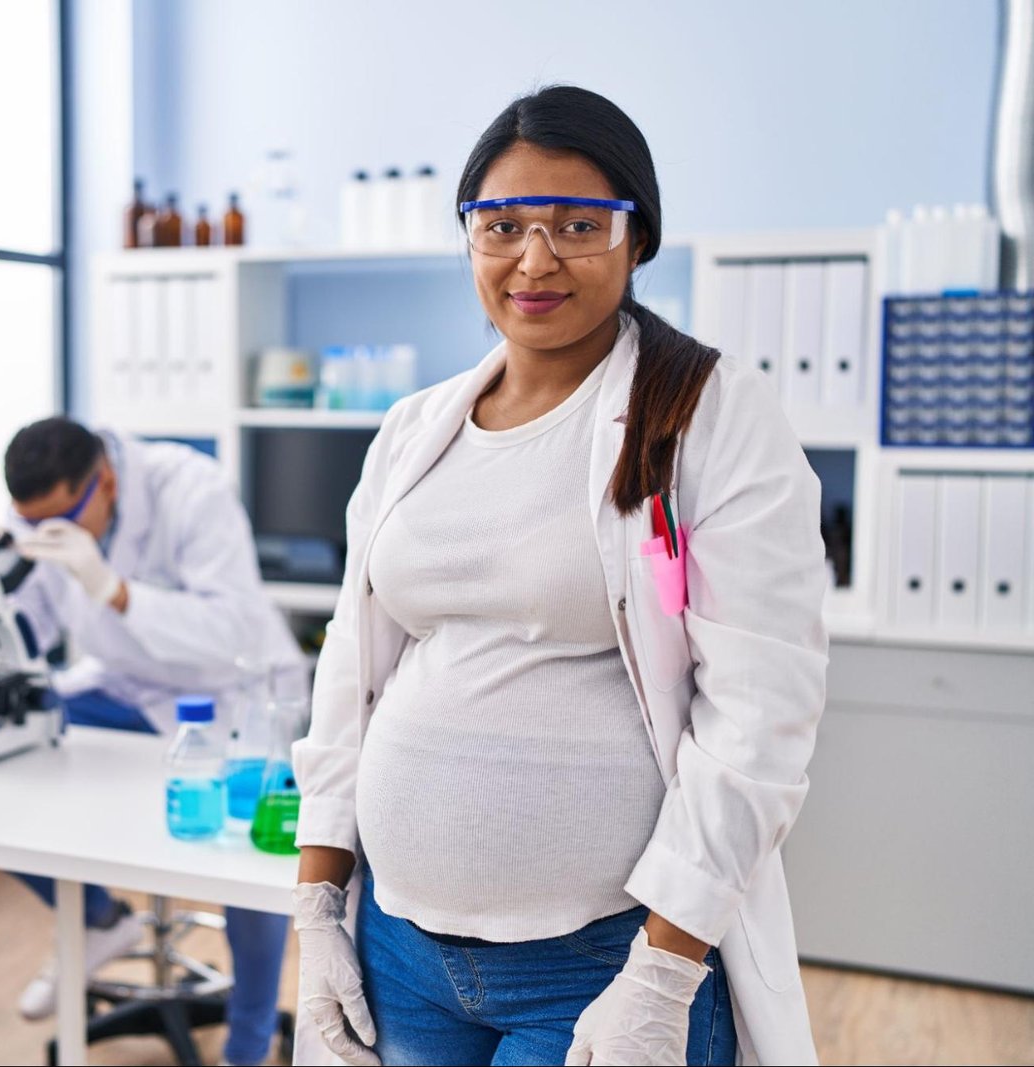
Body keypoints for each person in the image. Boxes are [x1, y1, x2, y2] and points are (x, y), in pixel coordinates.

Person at [290, 85, 828, 1066]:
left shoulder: (709, 412)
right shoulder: (416, 426)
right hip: (399, 950)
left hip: (604, 961)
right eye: (501, 225)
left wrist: (662, 975)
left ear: (636, 237)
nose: (534, 259)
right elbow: (350, 666)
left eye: (578, 224)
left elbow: (757, 716)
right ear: (467, 238)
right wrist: (317, 905)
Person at [0, 416, 302, 1067]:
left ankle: (248, 1041)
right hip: (122, 688)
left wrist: (115, 591)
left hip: (230, 692)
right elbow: (28, 631)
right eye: (30, 523)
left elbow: (231, 628)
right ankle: (98, 917)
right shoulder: (47, 511)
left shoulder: (191, 491)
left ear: (106, 482)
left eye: (55, 522)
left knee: (249, 858)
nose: (44, 534)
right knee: (1, 761)